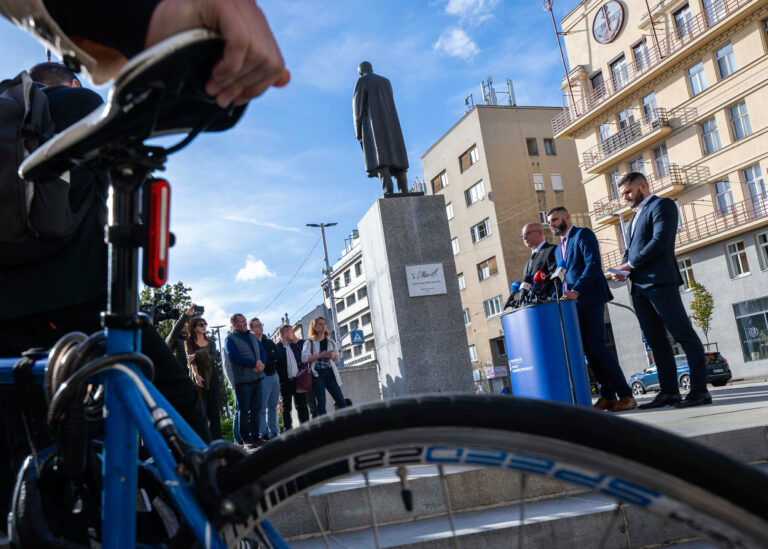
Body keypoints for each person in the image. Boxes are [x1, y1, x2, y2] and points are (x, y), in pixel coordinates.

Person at [613, 172, 711, 408]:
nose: (625, 197)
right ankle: (669, 392)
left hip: (661, 283)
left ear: (642, 187)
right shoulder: (632, 219)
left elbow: (660, 241)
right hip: (637, 286)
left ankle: (699, 391)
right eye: (623, 193)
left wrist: (631, 264)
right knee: (657, 341)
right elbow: (630, 252)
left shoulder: (662, 205)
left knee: (683, 335)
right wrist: (623, 268)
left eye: (628, 192)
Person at [547, 206, 637, 412]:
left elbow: (593, 265)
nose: (551, 224)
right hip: (572, 304)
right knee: (589, 349)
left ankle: (626, 395)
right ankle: (608, 396)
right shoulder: (559, 246)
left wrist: (577, 290)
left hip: (590, 299)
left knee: (597, 346)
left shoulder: (582, 235)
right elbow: (562, 275)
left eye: (555, 220)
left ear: (567, 217)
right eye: (550, 222)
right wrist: (557, 295)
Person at [353, 61, 409, 196]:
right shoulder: (386, 82)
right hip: (392, 125)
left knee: (381, 159)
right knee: (397, 158)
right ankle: (404, 190)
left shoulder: (362, 81)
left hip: (374, 127)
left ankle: (388, 191)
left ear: (360, 71)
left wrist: (358, 131)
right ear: (371, 68)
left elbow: (358, 109)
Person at [224, 313, 265, 448]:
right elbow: (234, 357)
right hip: (243, 381)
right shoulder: (230, 339)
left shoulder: (252, 336)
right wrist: (254, 364)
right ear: (234, 324)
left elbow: (262, 351)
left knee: (256, 409)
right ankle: (246, 439)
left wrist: (261, 363)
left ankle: (256, 437)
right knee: (244, 410)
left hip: (257, 377)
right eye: (241, 321)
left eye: (245, 320)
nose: (244, 323)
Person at [301, 317, 348, 415]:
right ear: (315, 327)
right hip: (317, 374)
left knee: (340, 399)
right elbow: (304, 358)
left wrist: (333, 356)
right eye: (320, 324)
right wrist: (320, 355)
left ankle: (347, 422)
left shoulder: (330, 341)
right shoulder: (309, 342)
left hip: (330, 372)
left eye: (324, 324)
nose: (323, 326)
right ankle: (324, 426)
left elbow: (338, 358)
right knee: (321, 402)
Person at [186, 317, 222, 438]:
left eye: (205, 324)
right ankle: (204, 442)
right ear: (194, 328)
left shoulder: (211, 342)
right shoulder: (189, 342)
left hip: (212, 376)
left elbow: (212, 358)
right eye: (201, 324)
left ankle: (217, 442)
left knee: (214, 411)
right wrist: (196, 376)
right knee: (201, 411)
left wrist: (196, 355)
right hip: (197, 377)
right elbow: (191, 362)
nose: (204, 326)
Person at [249, 317, 280, 440]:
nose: (260, 327)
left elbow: (279, 354)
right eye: (257, 326)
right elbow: (256, 359)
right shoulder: (252, 343)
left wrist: (267, 356)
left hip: (274, 376)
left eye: (260, 324)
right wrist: (270, 356)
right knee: (262, 407)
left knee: (273, 406)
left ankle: (274, 432)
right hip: (263, 377)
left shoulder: (268, 341)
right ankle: (263, 433)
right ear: (251, 329)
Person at [275, 324, 310, 430]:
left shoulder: (295, 346)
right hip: (285, 382)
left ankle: (306, 428)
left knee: (302, 406)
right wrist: (280, 381)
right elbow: (276, 366)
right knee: (286, 408)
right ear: (285, 333)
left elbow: (301, 360)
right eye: (291, 332)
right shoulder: (278, 348)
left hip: (298, 381)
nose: (293, 334)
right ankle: (288, 430)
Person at [165, 304, 199, 369]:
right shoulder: (172, 339)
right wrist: (185, 315)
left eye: (186, 323)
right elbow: (176, 330)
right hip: (177, 375)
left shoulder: (191, 340)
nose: (184, 325)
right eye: (182, 324)